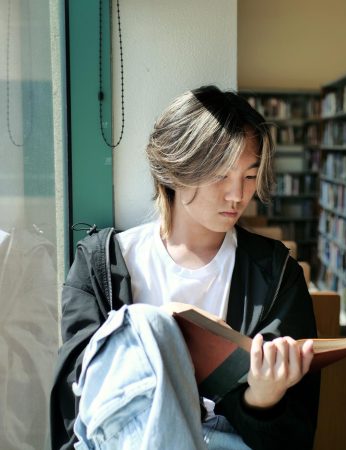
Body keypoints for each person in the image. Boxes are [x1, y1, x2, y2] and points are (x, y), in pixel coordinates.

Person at [49, 85, 320, 450]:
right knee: (146, 325)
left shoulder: (275, 274)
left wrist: (263, 399)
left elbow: (294, 436)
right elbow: (75, 405)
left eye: (249, 176)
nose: (237, 194)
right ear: (175, 169)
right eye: (221, 175)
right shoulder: (103, 267)